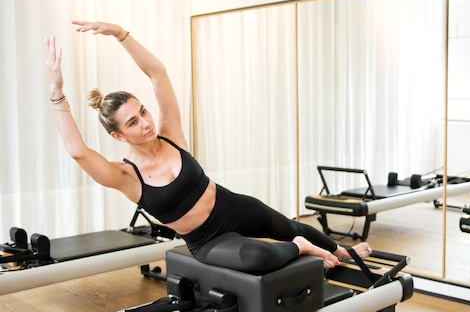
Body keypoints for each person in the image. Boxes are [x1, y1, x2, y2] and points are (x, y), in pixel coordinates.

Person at [45, 20, 371, 272]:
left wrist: (120, 34)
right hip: (206, 240)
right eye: (132, 122)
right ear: (118, 136)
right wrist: (57, 93)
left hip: (229, 204)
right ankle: (301, 248)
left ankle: (342, 251)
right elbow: (78, 151)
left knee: (287, 225)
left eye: (142, 111)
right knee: (256, 255)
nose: (145, 122)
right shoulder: (125, 176)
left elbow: (157, 73)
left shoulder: (170, 134)